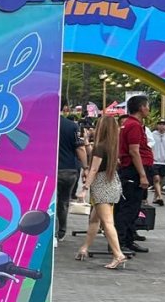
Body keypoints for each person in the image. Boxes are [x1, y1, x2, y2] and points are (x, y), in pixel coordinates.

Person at [75, 115, 127, 269]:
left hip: (101, 186)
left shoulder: (100, 147)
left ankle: (118, 254)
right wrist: (87, 144)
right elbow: (98, 160)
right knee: (95, 219)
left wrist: (84, 188)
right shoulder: (111, 146)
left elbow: (94, 169)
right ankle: (84, 248)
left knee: (107, 222)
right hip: (111, 184)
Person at [115, 96, 154, 254]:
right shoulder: (134, 126)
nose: (148, 109)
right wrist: (142, 175)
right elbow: (134, 151)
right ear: (141, 108)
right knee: (129, 208)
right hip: (133, 171)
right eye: (147, 106)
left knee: (134, 207)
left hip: (132, 170)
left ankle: (129, 240)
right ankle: (120, 242)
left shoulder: (130, 124)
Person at [56, 100, 87, 242]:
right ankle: (61, 231)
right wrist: (86, 168)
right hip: (68, 169)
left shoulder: (43, 124)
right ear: (64, 107)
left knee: (48, 202)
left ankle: (51, 232)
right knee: (63, 202)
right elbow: (80, 148)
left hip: (49, 170)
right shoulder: (72, 126)